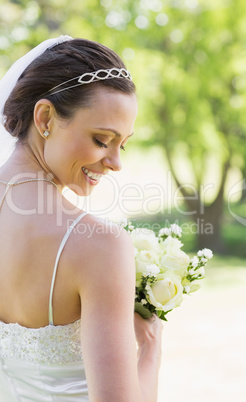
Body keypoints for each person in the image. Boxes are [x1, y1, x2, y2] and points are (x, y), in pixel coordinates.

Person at [0, 36, 162, 401]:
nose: (116, 163)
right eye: (102, 139)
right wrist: (150, 350)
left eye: (124, 144)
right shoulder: (99, 246)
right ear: (45, 118)